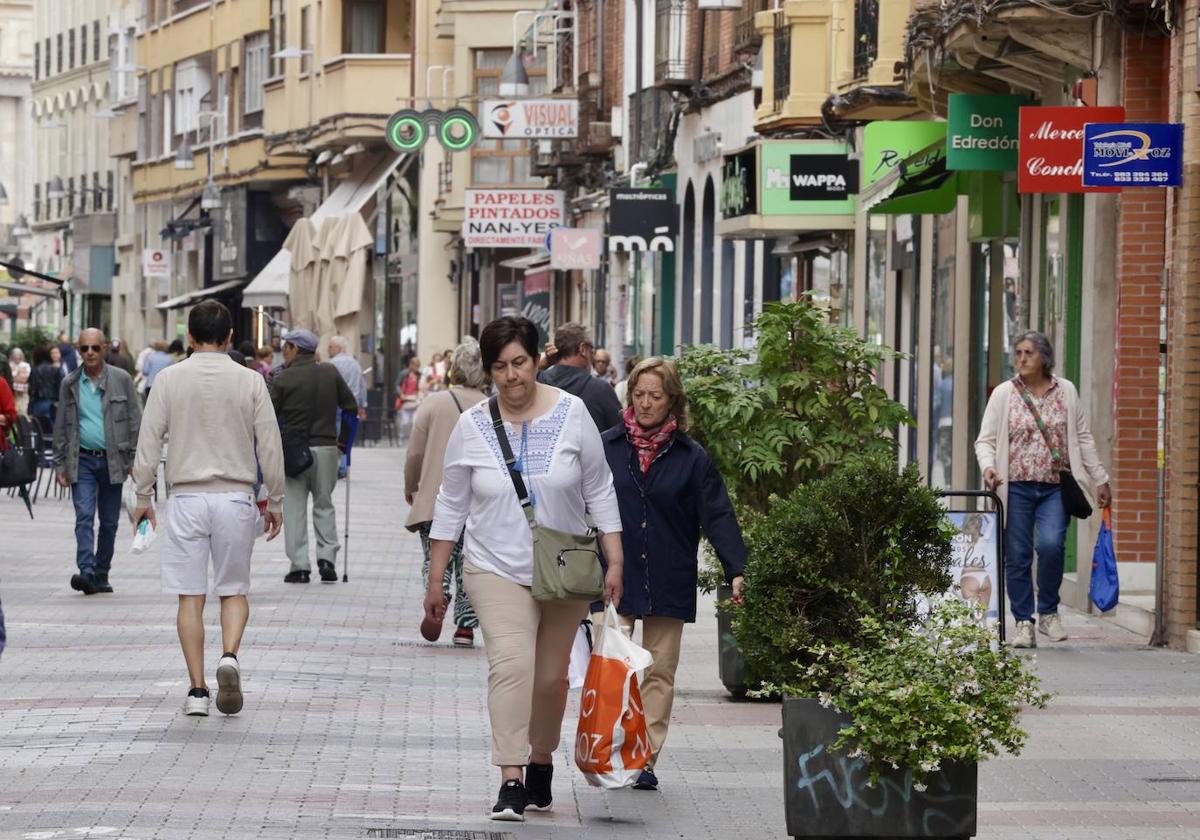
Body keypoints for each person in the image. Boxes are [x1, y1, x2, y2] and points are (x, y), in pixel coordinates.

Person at [424, 315, 624, 822]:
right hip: (493, 568)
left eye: (519, 363)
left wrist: (615, 555)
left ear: (538, 360)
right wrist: (436, 578)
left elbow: (599, 488)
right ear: (489, 372)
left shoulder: (574, 413)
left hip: (564, 568)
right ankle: (510, 776)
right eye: (499, 367)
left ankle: (541, 759)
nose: (511, 376)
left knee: (552, 680)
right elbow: (451, 503)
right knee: (511, 667)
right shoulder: (471, 428)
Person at [132, 301, 285, 717]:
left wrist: (142, 498)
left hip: (186, 497)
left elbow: (148, 443)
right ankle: (230, 656)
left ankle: (197, 691)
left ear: (191, 338)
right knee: (234, 589)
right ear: (230, 336)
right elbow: (270, 443)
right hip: (235, 496)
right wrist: (275, 498)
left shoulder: (168, 379)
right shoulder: (251, 381)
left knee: (190, 596)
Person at [600, 357, 746, 791]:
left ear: (673, 401)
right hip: (614, 575)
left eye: (655, 396)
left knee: (659, 671)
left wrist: (737, 568)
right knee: (614, 670)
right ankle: (609, 753)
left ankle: (643, 758)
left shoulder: (691, 457)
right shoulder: (607, 447)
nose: (645, 404)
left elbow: (718, 514)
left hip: (667, 573)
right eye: (639, 394)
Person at [975, 331, 1111, 649]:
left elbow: (1083, 436)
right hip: (1016, 487)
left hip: (1054, 488)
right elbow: (986, 440)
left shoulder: (1066, 391)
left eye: (1029, 353)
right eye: (1018, 353)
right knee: (1018, 556)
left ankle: (1048, 611)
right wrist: (988, 467)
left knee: (1051, 546)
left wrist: (1099, 478)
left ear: (1045, 359)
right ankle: (1023, 622)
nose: (1021, 359)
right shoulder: (1004, 394)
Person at [405, 339, 487, 647]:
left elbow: (414, 453)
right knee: (470, 561)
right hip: (478, 501)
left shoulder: (434, 404)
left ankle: (437, 598)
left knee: (434, 556)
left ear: (454, 369)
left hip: (435, 498)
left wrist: (411, 487)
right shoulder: (492, 406)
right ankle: (465, 625)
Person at [52, 329, 142, 596]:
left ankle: (101, 573)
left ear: (104, 348)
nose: (89, 353)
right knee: (83, 517)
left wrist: (135, 459)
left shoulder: (122, 379)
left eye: (94, 348)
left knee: (110, 521)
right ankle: (86, 572)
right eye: (84, 349)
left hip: (114, 460)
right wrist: (59, 465)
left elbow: (136, 421)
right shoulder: (69, 383)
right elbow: (61, 426)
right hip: (82, 460)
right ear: (78, 350)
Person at [270, 328, 358, 583]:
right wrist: (344, 443)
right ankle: (327, 558)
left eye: (286, 348)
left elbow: (269, 416)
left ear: (295, 350)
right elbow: (351, 408)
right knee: (324, 503)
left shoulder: (284, 379)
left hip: (294, 452)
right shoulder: (330, 372)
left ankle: (299, 565)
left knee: (295, 506)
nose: (283, 353)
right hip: (327, 449)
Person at [539, 322, 623, 435]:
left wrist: (544, 364)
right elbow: (621, 433)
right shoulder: (601, 389)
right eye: (591, 351)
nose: (592, 357)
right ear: (583, 349)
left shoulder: (537, 382)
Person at [328, 335, 368, 478]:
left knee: (335, 436)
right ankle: (344, 467)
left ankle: (336, 466)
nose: (329, 349)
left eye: (330, 347)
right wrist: (363, 405)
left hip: (335, 404)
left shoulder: (332, 364)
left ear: (338, 348)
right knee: (347, 438)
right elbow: (362, 385)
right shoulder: (355, 364)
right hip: (352, 406)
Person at [28, 346, 64, 428]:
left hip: (38, 404)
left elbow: (32, 391)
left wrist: (30, 409)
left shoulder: (35, 370)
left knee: (39, 431)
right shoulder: (56, 370)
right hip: (54, 404)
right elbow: (61, 389)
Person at [395, 357, 422, 443]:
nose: (417, 368)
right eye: (415, 366)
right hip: (405, 400)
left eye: (418, 366)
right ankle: (401, 437)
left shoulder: (419, 375)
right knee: (405, 421)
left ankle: (412, 439)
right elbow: (397, 384)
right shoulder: (404, 374)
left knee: (415, 421)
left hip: (415, 400)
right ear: (411, 365)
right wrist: (401, 394)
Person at [9, 348, 30, 416]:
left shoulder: (25, 365)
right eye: (15, 355)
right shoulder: (10, 365)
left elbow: (27, 376)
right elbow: (10, 377)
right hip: (12, 392)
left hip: (23, 391)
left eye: (18, 355)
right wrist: (17, 374)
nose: (17, 357)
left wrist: (17, 376)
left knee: (23, 409)